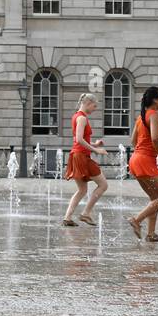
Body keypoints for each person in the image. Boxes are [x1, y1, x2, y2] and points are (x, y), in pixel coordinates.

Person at [126, 87, 158, 241]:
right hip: (145, 160)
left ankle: (151, 234)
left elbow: (133, 141)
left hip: (135, 159)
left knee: (155, 198)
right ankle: (136, 220)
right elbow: (154, 138)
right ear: (155, 100)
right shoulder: (154, 115)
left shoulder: (140, 117)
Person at [62, 93, 110, 227]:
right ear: (88, 103)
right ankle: (86, 213)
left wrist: (94, 144)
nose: (94, 109)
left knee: (82, 190)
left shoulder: (76, 116)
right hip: (82, 157)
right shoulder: (82, 118)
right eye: (94, 106)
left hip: (77, 155)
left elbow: (79, 140)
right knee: (103, 185)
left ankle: (67, 217)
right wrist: (96, 150)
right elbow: (79, 139)